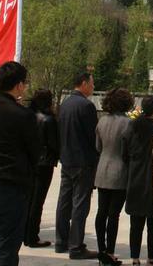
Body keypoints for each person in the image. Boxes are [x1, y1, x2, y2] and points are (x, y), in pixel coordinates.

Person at [0, 61, 39, 266]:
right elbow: (34, 152)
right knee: (7, 245)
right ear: (18, 85)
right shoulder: (23, 115)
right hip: (9, 185)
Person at [55, 71, 99, 260]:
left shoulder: (64, 104)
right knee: (80, 204)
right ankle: (76, 246)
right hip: (83, 161)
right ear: (83, 83)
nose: (93, 87)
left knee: (64, 202)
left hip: (67, 159)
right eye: (92, 83)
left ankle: (61, 241)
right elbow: (93, 137)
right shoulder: (86, 106)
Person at [94, 88, 133, 266]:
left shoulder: (102, 121)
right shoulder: (128, 123)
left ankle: (101, 250)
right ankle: (110, 251)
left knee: (101, 212)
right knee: (113, 215)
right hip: (120, 171)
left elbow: (98, 147)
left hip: (103, 168)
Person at [122, 95, 153, 266]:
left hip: (135, 175)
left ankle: (135, 257)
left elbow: (124, 149)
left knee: (136, 222)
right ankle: (151, 257)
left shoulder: (133, 125)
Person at [24, 89, 59, 248]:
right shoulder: (49, 120)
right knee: (38, 201)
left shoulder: (28, 116)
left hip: (31, 161)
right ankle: (32, 236)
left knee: (30, 199)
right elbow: (53, 144)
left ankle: (26, 232)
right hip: (44, 163)